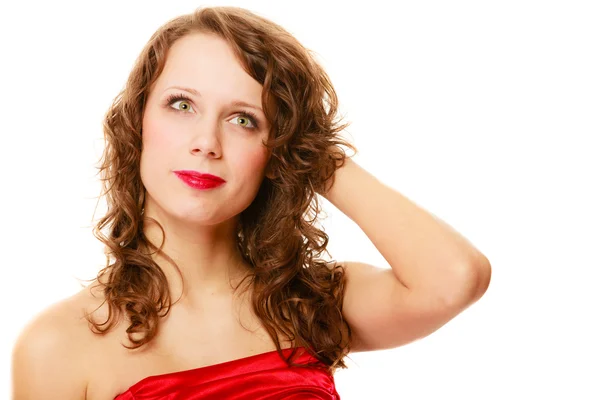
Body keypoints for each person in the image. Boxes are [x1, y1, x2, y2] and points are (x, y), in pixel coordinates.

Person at [11, 6, 491, 399]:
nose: (206, 141)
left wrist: (315, 155)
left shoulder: (310, 304)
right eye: (181, 105)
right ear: (136, 121)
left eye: (244, 119)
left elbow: (454, 278)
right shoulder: (57, 346)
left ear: (279, 148)